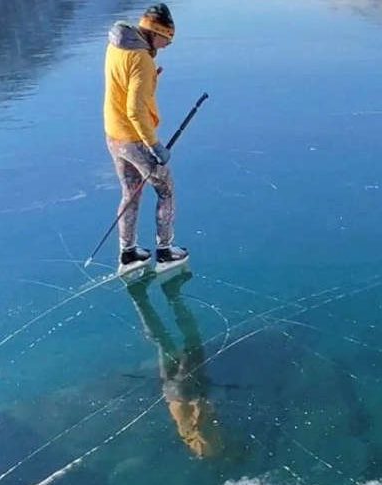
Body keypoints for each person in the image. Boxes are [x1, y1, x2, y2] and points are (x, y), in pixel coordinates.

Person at [104, 3, 188, 273]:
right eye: (167, 38)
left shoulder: (118, 46)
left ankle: (128, 252)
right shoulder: (141, 60)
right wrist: (154, 146)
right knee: (166, 189)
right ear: (155, 32)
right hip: (134, 139)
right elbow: (135, 109)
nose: (167, 45)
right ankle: (165, 251)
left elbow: (124, 85)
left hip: (114, 135)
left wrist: (150, 78)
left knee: (130, 192)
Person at [126, 270, 223, 458]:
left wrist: (203, 404)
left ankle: (169, 293)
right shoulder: (199, 444)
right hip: (174, 394)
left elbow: (199, 424)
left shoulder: (210, 450)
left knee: (191, 341)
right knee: (164, 341)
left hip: (186, 392)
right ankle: (142, 296)